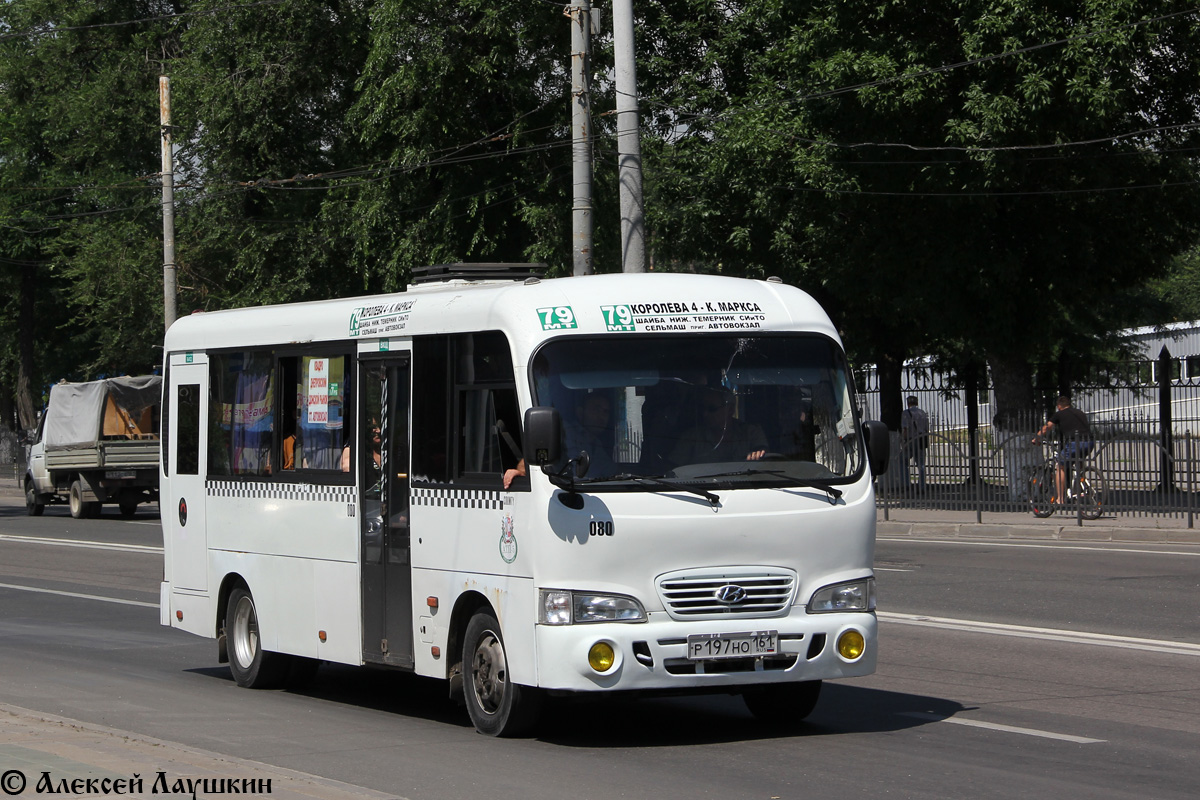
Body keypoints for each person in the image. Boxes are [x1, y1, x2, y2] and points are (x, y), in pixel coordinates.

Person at [670, 387, 767, 465]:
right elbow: (673, 470)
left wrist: (757, 454)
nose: (705, 414)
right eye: (703, 408)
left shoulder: (751, 433)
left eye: (712, 409)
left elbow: (766, 461)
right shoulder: (691, 438)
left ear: (730, 410)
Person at [1034, 396, 1093, 504]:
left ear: (1059, 406)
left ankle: (1060, 498)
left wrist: (1036, 438)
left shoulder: (1059, 414)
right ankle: (1079, 486)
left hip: (1075, 442)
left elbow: (1047, 427)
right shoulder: (1080, 413)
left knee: (1060, 467)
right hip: (1089, 442)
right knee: (1077, 461)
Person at [900, 396, 929, 488]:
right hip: (920, 440)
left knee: (903, 462)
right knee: (921, 464)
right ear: (917, 403)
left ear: (908, 403)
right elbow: (926, 429)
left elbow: (905, 428)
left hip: (910, 439)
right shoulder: (922, 413)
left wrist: (903, 441)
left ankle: (907, 483)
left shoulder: (905, 413)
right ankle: (922, 485)